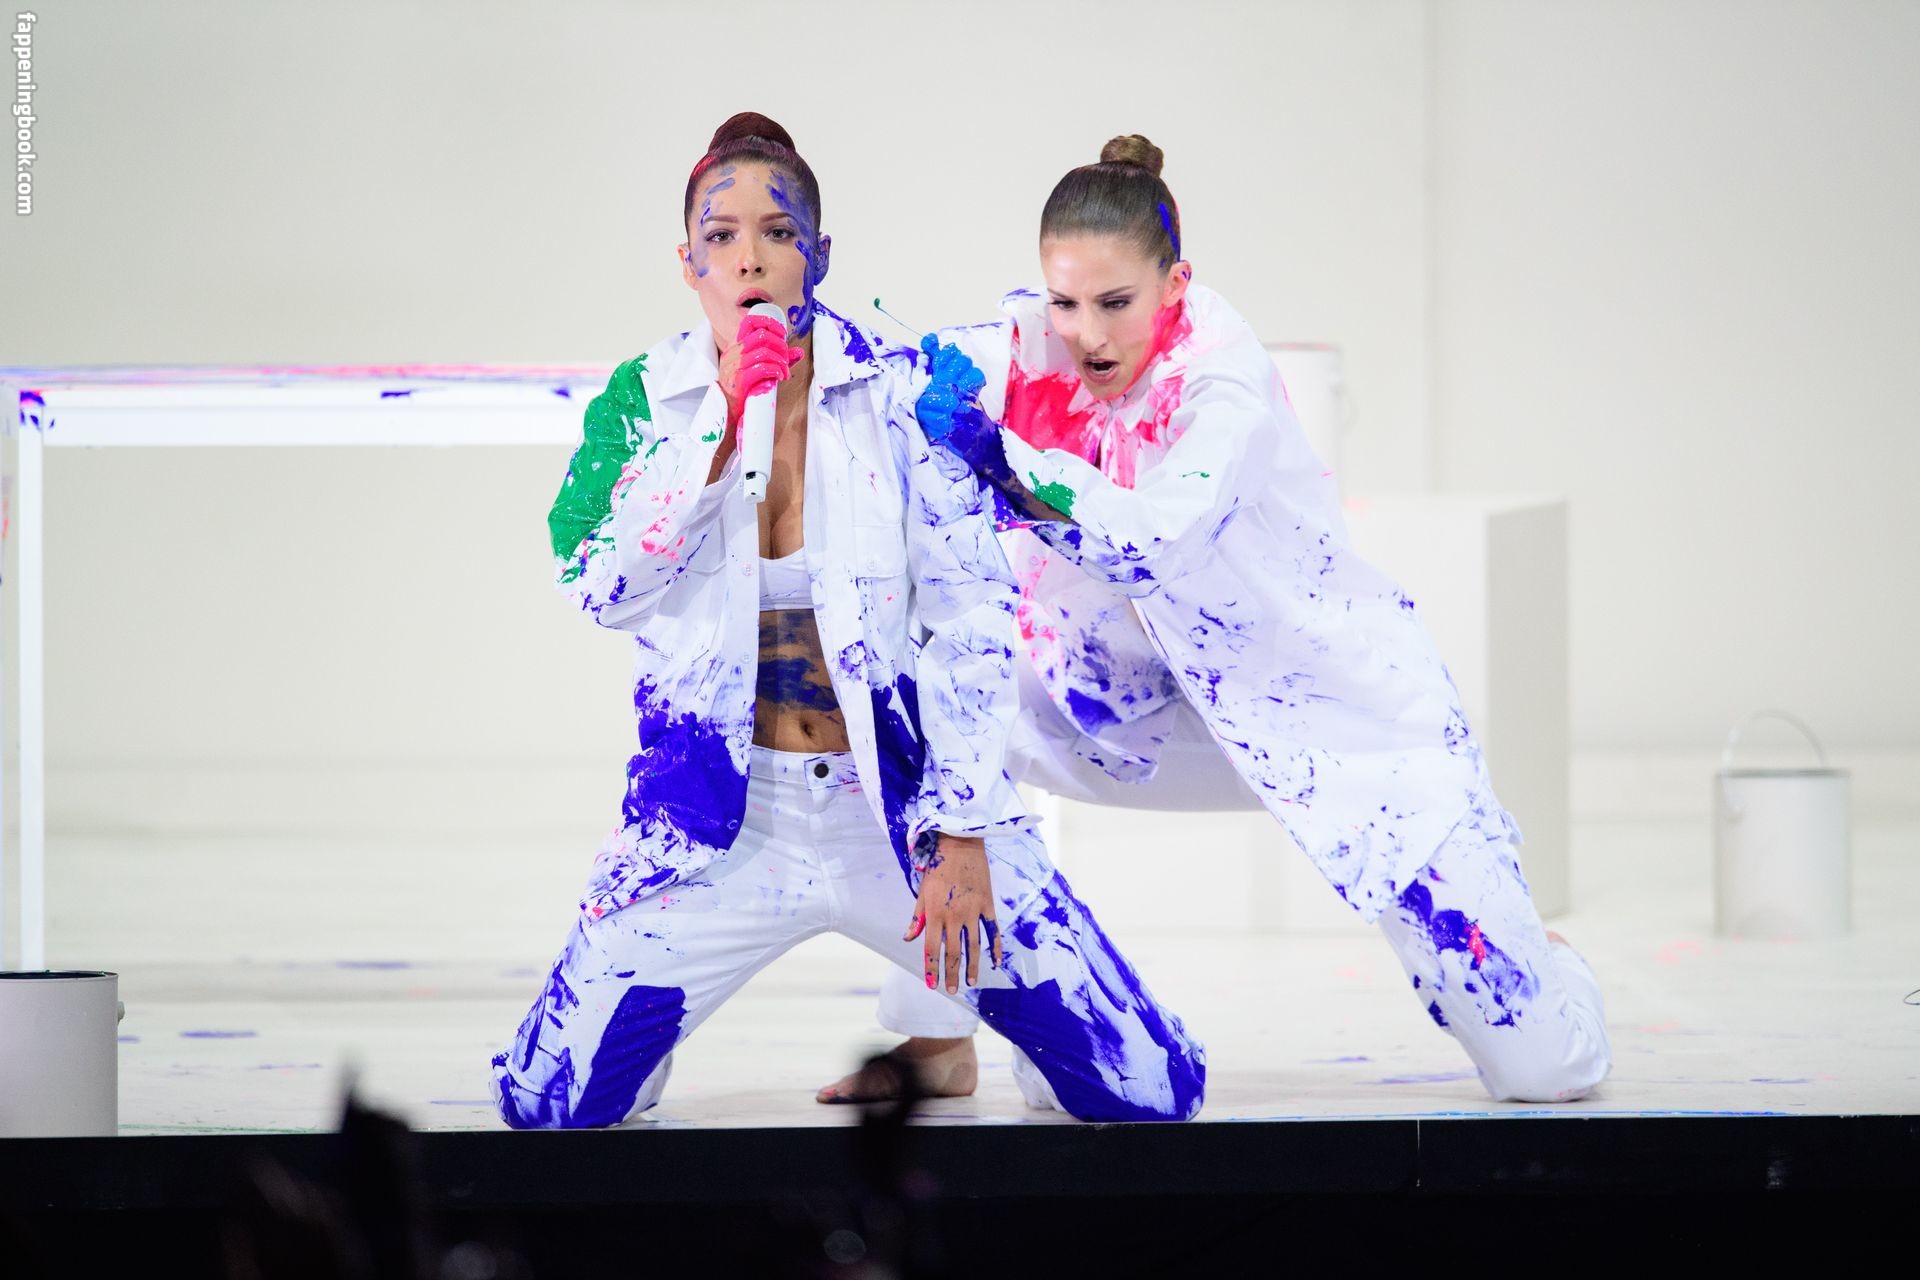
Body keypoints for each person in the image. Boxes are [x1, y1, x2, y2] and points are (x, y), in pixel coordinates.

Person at [822, 134, 1609, 1108]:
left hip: (1333, 722)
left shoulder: (1223, 382)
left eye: (1116, 303)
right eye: (1065, 302)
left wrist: (1008, 461)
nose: (1086, 333)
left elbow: (1156, 538)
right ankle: (940, 1027)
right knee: (907, 714)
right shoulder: (1034, 341)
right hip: (1129, 711)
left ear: (1175, 284)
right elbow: (903, 377)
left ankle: (1539, 961)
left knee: (1545, 1072)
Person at [492, 114, 1205, 1128]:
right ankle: (639, 1031)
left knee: (1147, 1090)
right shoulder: (645, 401)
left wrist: (960, 825)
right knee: (549, 1104)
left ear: (819, 255)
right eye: (721, 236)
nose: (749, 259)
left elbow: (969, 621)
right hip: (717, 818)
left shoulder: (903, 394)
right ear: (689, 262)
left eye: (778, 233)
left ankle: (1013, 1041)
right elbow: (603, 587)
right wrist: (720, 426)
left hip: (901, 814)